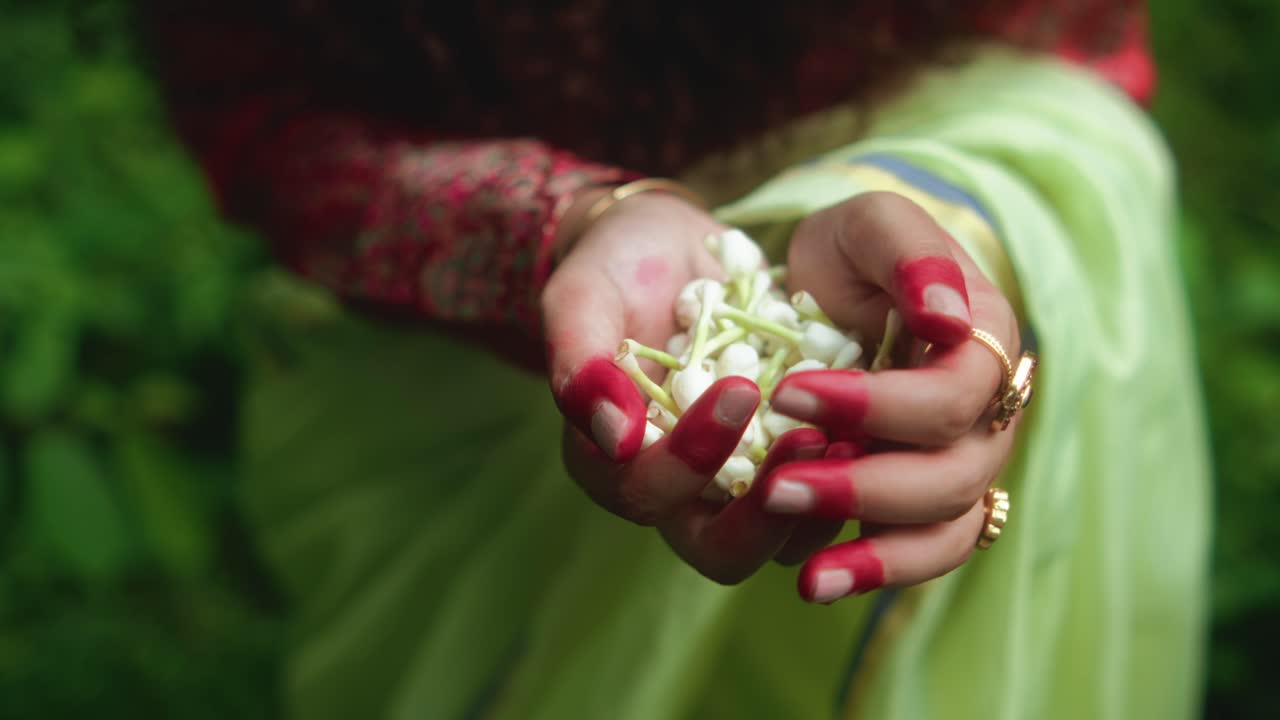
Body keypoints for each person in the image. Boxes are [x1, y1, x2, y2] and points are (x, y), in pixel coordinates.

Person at [141, 2, 1209, 718]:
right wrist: (549, 229)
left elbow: (1066, 38)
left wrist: (962, 231)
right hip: (477, 384)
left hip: (893, 157)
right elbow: (263, 121)